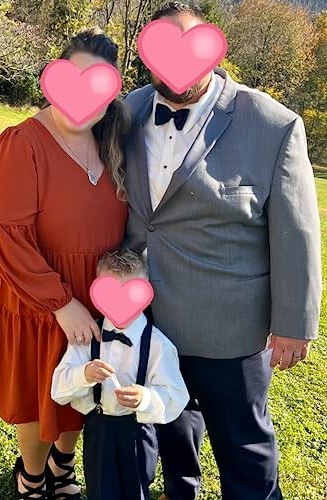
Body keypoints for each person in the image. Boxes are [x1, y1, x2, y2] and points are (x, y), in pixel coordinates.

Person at [123, 2, 322, 499]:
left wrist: (294, 324)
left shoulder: (273, 123)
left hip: (230, 330)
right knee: (171, 426)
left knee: (245, 447)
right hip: (148, 319)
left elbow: (297, 232)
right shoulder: (126, 111)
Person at [0, 28, 130, 500]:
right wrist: (60, 303)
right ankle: (32, 476)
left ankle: (63, 466)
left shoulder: (112, 142)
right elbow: (4, 234)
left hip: (95, 297)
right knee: (42, 399)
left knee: (80, 391)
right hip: (38, 301)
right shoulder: (22, 143)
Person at [51, 248, 189, 500]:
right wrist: (84, 374)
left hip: (138, 432)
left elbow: (176, 396)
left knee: (135, 490)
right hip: (99, 428)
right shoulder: (87, 338)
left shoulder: (158, 345)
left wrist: (146, 398)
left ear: (146, 294)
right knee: (100, 490)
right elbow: (58, 390)